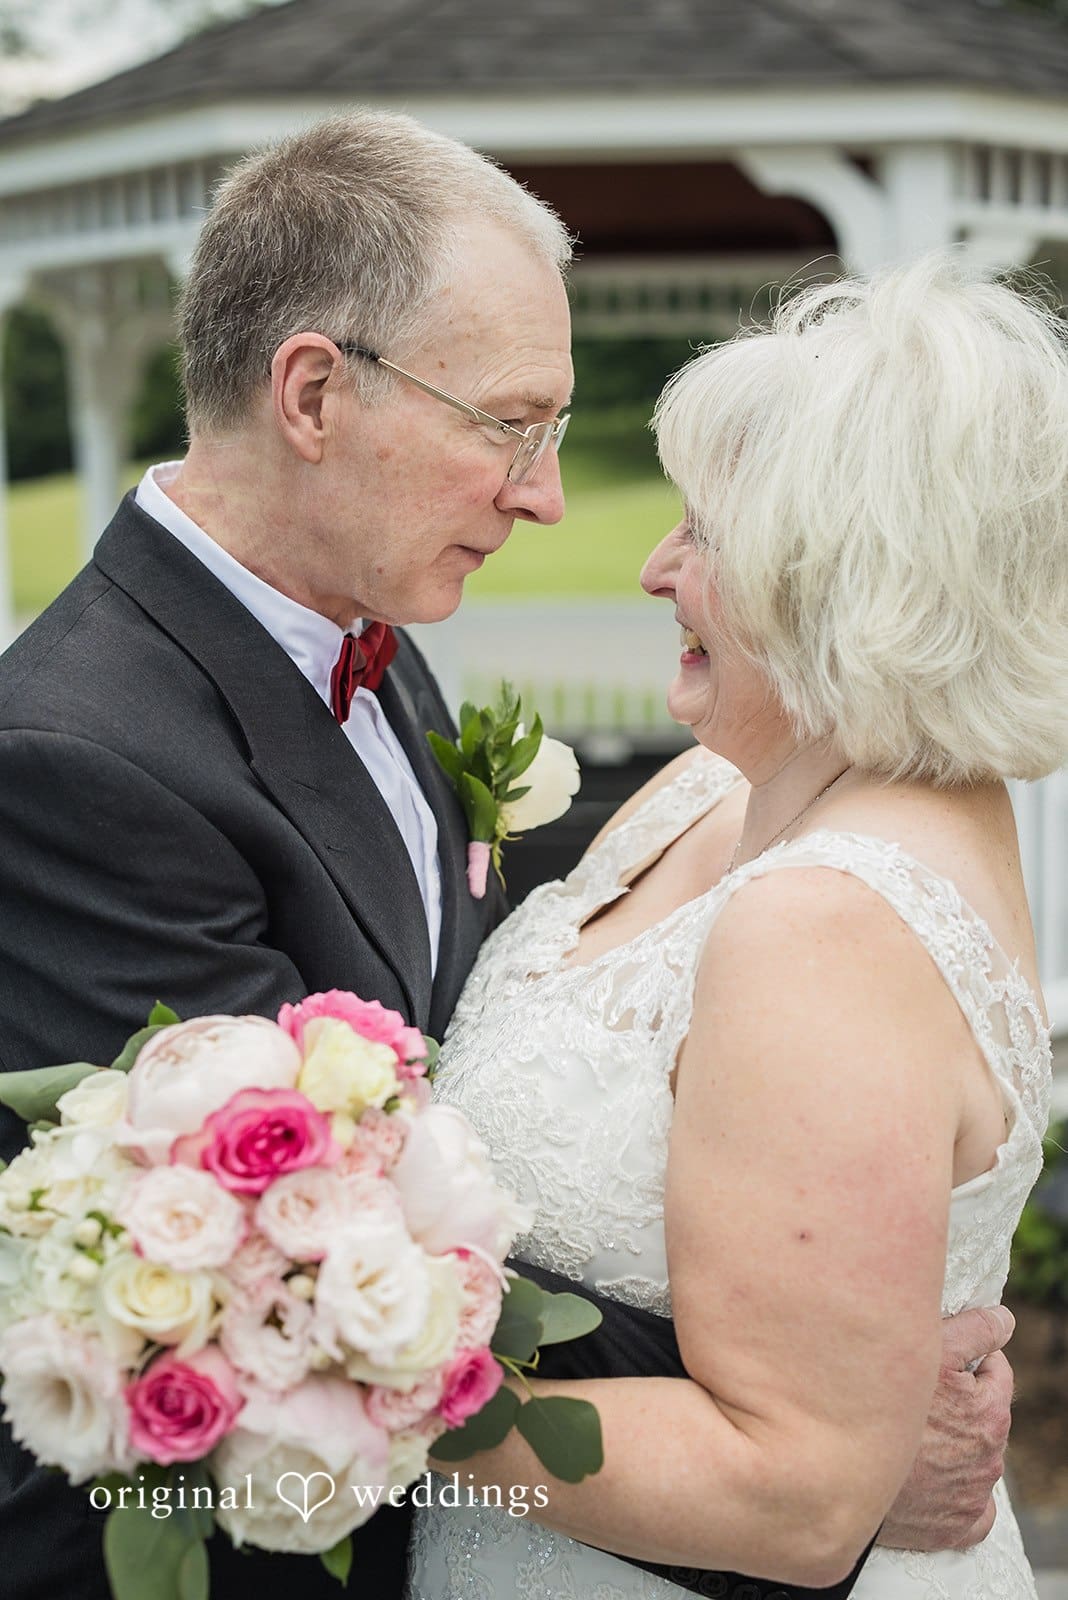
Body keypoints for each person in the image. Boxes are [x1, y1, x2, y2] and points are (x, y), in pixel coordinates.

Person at [0, 110, 1011, 1600]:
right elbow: (289, 1267)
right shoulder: (74, 763)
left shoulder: (377, 640)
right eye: (510, 423)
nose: (546, 494)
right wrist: (834, 1431)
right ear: (314, 395)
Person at [406, 254, 1066, 1599]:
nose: (655, 568)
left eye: (706, 534)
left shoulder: (831, 921)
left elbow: (793, 1496)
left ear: (851, 577)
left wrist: (335, 1380)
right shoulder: (714, 786)